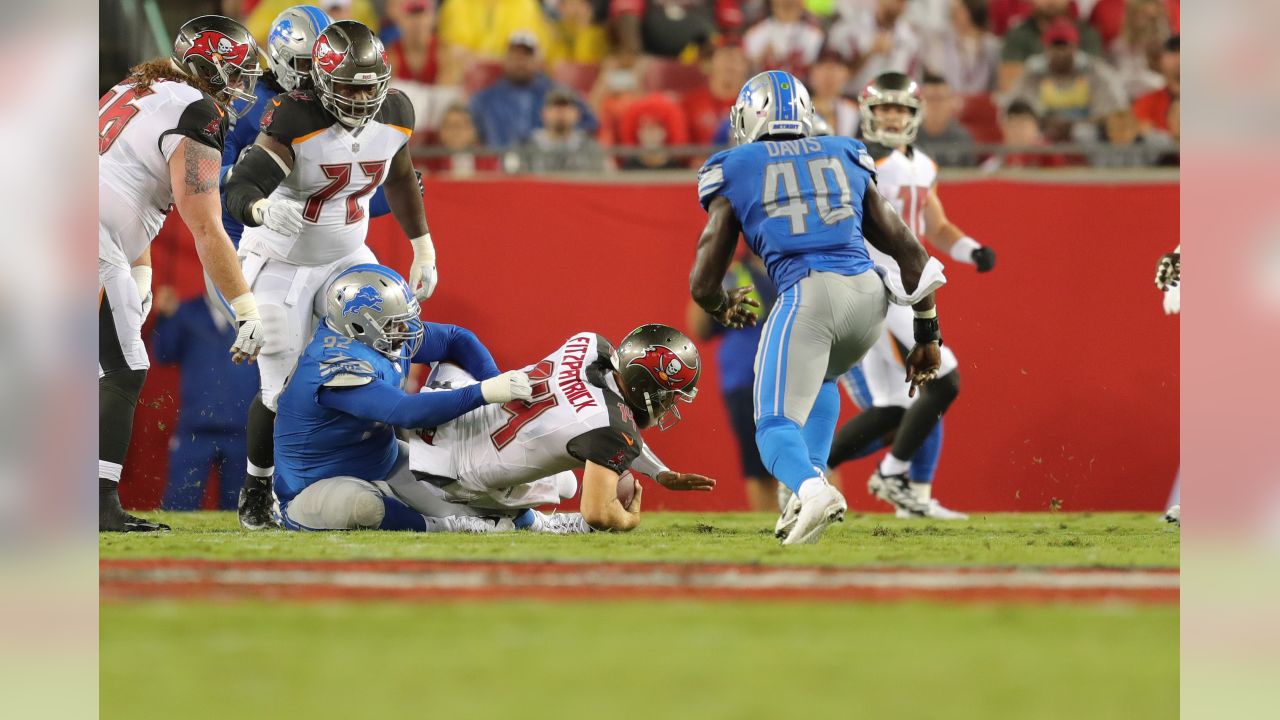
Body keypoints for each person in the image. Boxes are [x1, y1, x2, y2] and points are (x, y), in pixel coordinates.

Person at [689, 70, 946, 545]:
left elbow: (703, 281)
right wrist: (928, 337)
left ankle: (809, 489)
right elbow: (913, 254)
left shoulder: (736, 164)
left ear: (747, 116)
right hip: (868, 297)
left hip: (808, 292)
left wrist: (722, 305)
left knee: (771, 424)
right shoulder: (844, 152)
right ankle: (812, 486)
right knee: (824, 377)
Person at [223, 20, 438, 530]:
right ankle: (257, 487)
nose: (361, 99)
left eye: (369, 86)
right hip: (282, 259)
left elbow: (404, 176)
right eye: (347, 86)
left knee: (388, 341)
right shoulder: (295, 115)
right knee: (280, 385)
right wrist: (259, 209)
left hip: (347, 253)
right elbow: (241, 185)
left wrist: (423, 247)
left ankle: (388, 466)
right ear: (318, 80)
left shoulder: (397, 112)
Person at [99, 15, 268, 531]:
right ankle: (96, 507)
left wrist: (141, 266)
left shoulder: (138, 88)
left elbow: (123, 186)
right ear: (204, 68)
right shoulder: (195, 111)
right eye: (234, 75)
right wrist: (246, 307)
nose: (240, 88)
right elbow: (207, 228)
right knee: (124, 369)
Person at [828, 72, 996, 520]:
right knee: (944, 379)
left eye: (900, 108)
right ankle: (893, 473)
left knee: (895, 406)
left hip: (910, 285)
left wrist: (970, 248)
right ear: (867, 113)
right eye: (883, 107)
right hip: (878, 284)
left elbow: (935, 224)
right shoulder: (855, 159)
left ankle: (811, 476)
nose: (891, 116)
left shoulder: (922, 164)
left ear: (914, 115)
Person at [273, 264, 535, 532]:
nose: (405, 329)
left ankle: (540, 523)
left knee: (478, 488)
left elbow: (457, 339)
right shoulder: (333, 363)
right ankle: (443, 527)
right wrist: (485, 392)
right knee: (364, 507)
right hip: (315, 484)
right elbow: (404, 412)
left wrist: (492, 379)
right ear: (358, 324)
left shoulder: (380, 337)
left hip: (385, 462)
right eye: (394, 323)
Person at [401, 325, 717, 532]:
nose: (669, 406)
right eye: (670, 397)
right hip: (450, 472)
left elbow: (608, 418)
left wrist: (659, 472)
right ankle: (521, 523)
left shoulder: (591, 344)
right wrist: (628, 519)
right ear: (647, 389)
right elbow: (597, 512)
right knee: (568, 485)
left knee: (564, 454)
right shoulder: (611, 428)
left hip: (444, 416)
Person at [686, 254, 780, 512]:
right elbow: (700, 329)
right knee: (759, 464)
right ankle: (771, 533)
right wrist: (707, 273)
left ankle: (825, 526)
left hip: (794, 374)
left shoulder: (798, 268)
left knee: (814, 453)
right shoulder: (733, 274)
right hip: (745, 379)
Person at [151, 287, 259, 511]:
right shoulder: (185, 311)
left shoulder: (257, 314)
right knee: (179, 505)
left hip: (244, 429)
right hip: (194, 427)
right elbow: (163, 354)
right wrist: (164, 316)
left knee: (240, 511)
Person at [1006, 18, 1126, 143]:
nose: (1060, 53)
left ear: (1075, 46)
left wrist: (1074, 125)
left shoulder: (1094, 70)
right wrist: (1044, 122)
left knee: (1083, 133)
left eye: (1064, 46)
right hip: (1044, 132)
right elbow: (1016, 107)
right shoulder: (1033, 71)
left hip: (1088, 136)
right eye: (1055, 46)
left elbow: (1114, 111)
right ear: (1046, 47)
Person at [469, 31, 598, 147]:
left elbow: (590, 125)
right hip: (499, 166)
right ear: (505, 59)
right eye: (514, 56)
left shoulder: (559, 95)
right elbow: (469, 136)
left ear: (538, 60)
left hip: (547, 166)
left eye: (526, 56)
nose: (520, 62)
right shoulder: (485, 100)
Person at [522, 87, 608, 172]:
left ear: (577, 113)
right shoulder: (526, 148)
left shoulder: (590, 149)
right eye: (555, 106)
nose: (560, 111)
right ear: (543, 113)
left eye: (566, 106)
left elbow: (605, 179)